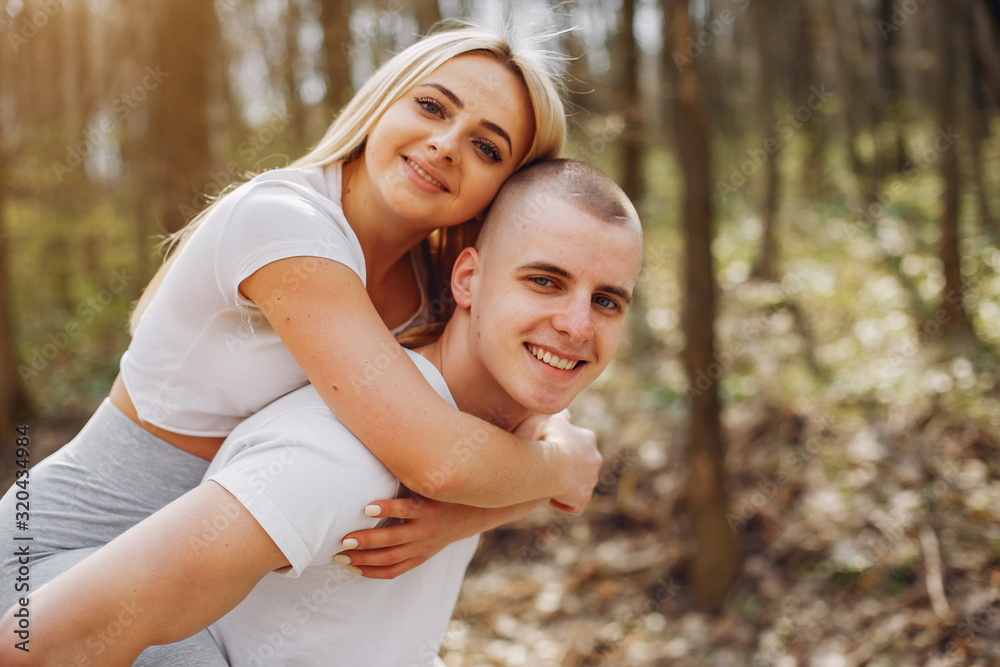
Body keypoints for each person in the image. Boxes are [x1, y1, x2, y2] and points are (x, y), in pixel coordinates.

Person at [0, 21, 605, 653]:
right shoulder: (283, 223)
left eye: (488, 149)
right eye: (431, 106)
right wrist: (555, 469)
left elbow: (526, 418)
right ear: (384, 100)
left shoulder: (434, 284)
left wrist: (474, 510)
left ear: (500, 195)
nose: (447, 144)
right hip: (58, 559)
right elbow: (447, 461)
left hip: (201, 575)